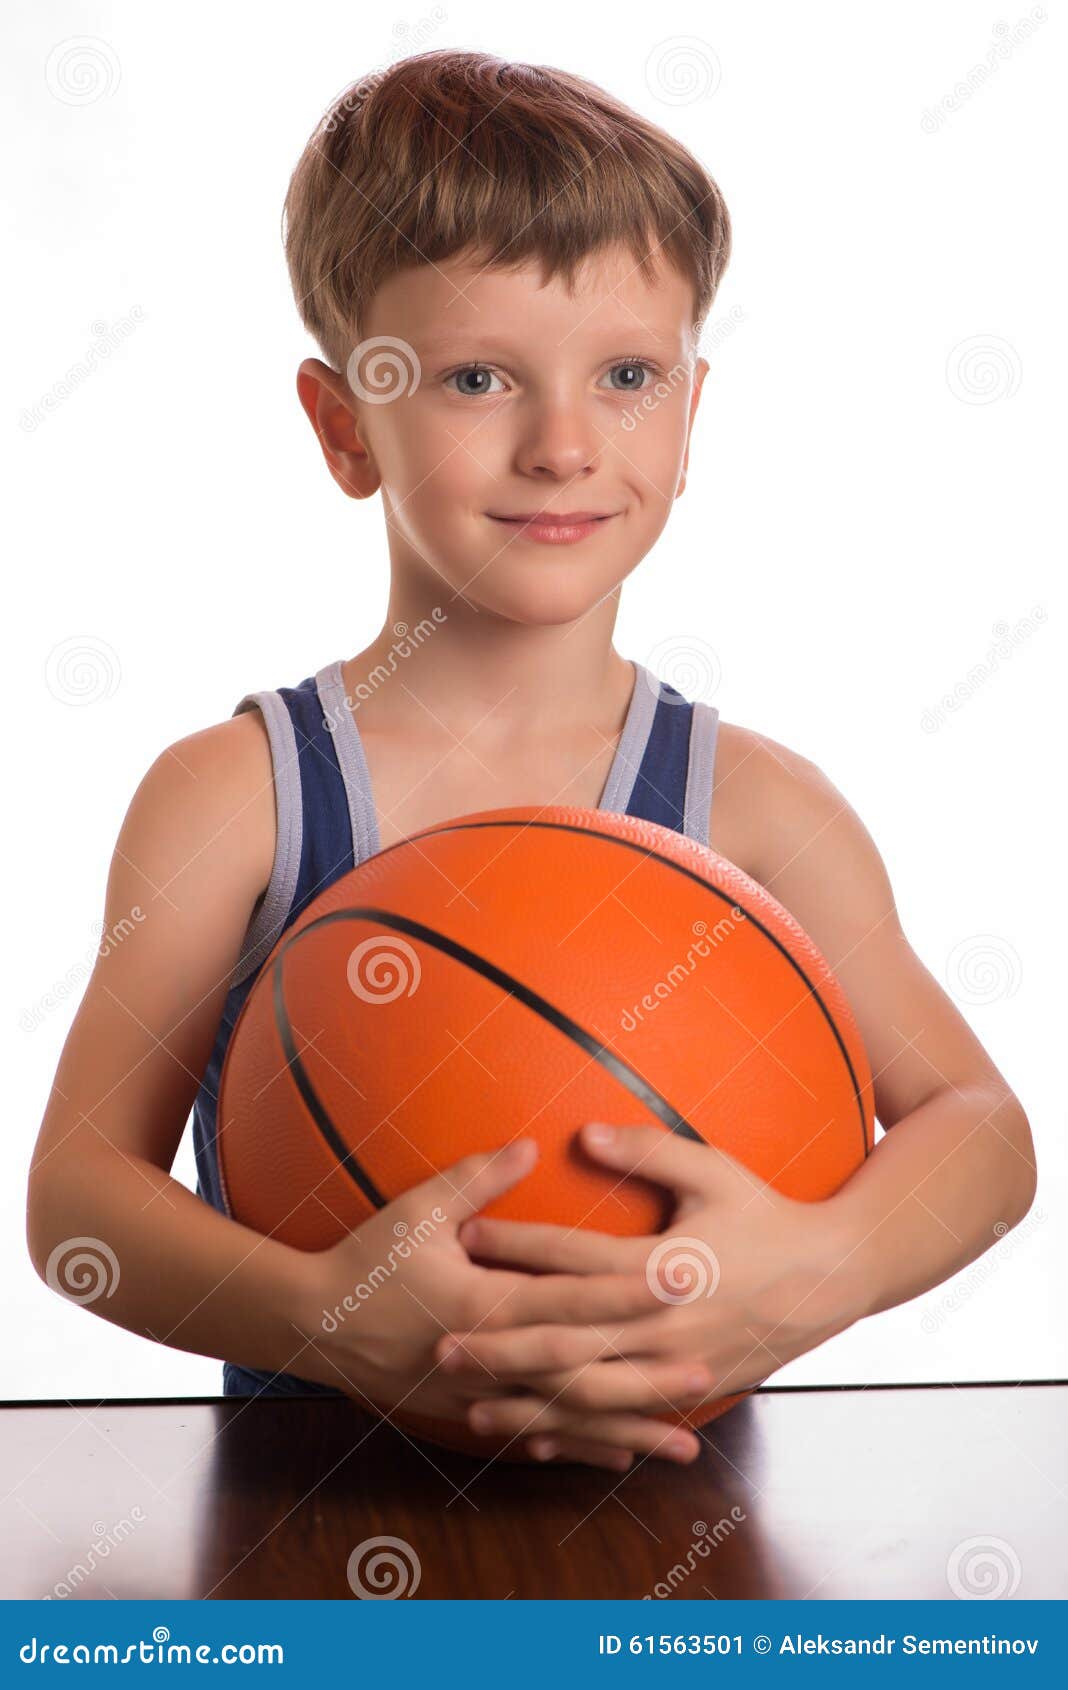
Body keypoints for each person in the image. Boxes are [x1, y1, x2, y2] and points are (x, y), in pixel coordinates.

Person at [26, 49, 1035, 1474]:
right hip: (304, 1524)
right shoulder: (238, 796)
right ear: (341, 427)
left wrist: (813, 1271)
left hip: (679, 1530)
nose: (563, 445)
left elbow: (980, 1128)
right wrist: (326, 1310)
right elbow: (75, 1205)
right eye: (479, 376)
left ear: (691, 420)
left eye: (628, 375)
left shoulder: (753, 808)